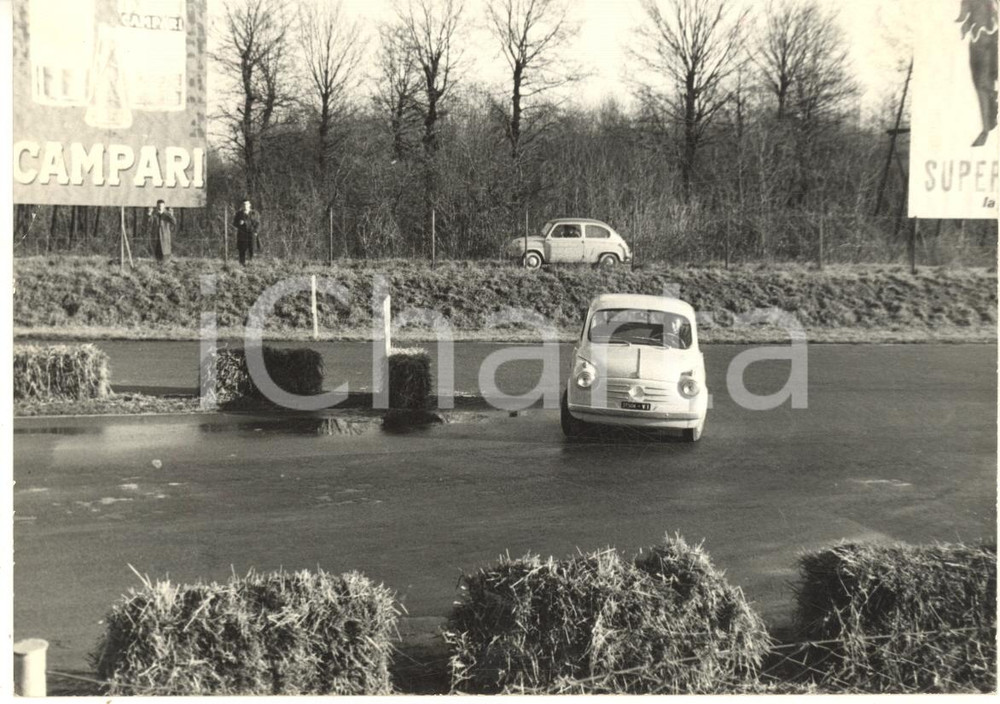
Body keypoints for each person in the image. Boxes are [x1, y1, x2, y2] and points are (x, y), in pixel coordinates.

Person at [233, 199, 260, 265]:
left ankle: (252, 263)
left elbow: (258, 224)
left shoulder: (254, 213)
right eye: (244, 204)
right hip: (242, 234)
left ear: (249, 205)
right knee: (242, 250)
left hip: (251, 233)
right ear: (242, 205)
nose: (245, 206)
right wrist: (239, 223)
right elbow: (234, 223)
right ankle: (242, 264)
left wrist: (256, 232)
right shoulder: (239, 214)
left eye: (247, 204)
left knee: (252, 249)